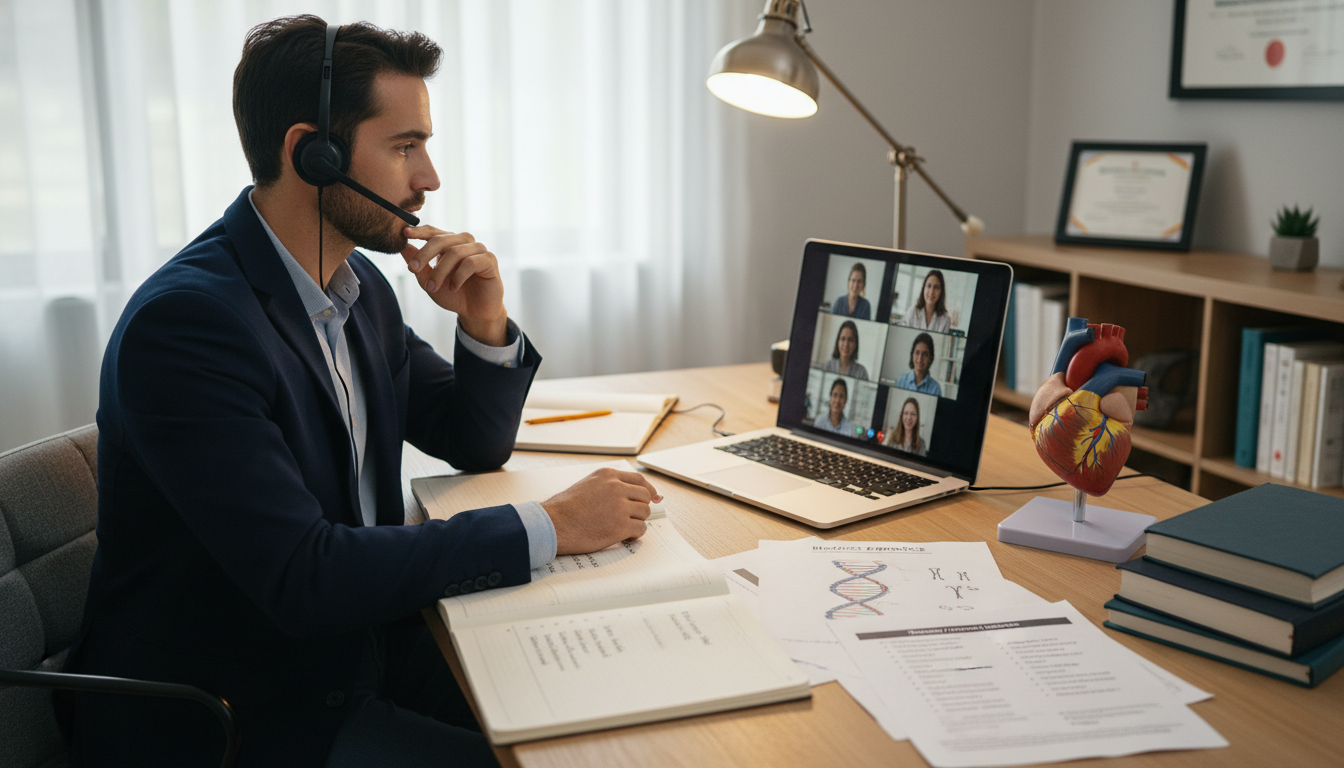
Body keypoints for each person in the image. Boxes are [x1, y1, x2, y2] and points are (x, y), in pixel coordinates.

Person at [62, 16, 658, 767]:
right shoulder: (190, 326)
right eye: (406, 147)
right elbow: (303, 576)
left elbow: (471, 439)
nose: (429, 178)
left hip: (357, 648)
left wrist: (485, 319)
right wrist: (549, 525)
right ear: (311, 153)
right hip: (239, 712)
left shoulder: (354, 287)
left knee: (612, 717)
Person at [894, 332, 942, 397]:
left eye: (925, 354)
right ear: (912, 355)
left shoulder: (935, 388)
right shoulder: (901, 380)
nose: (920, 359)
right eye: (917, 353)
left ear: (930, 358)